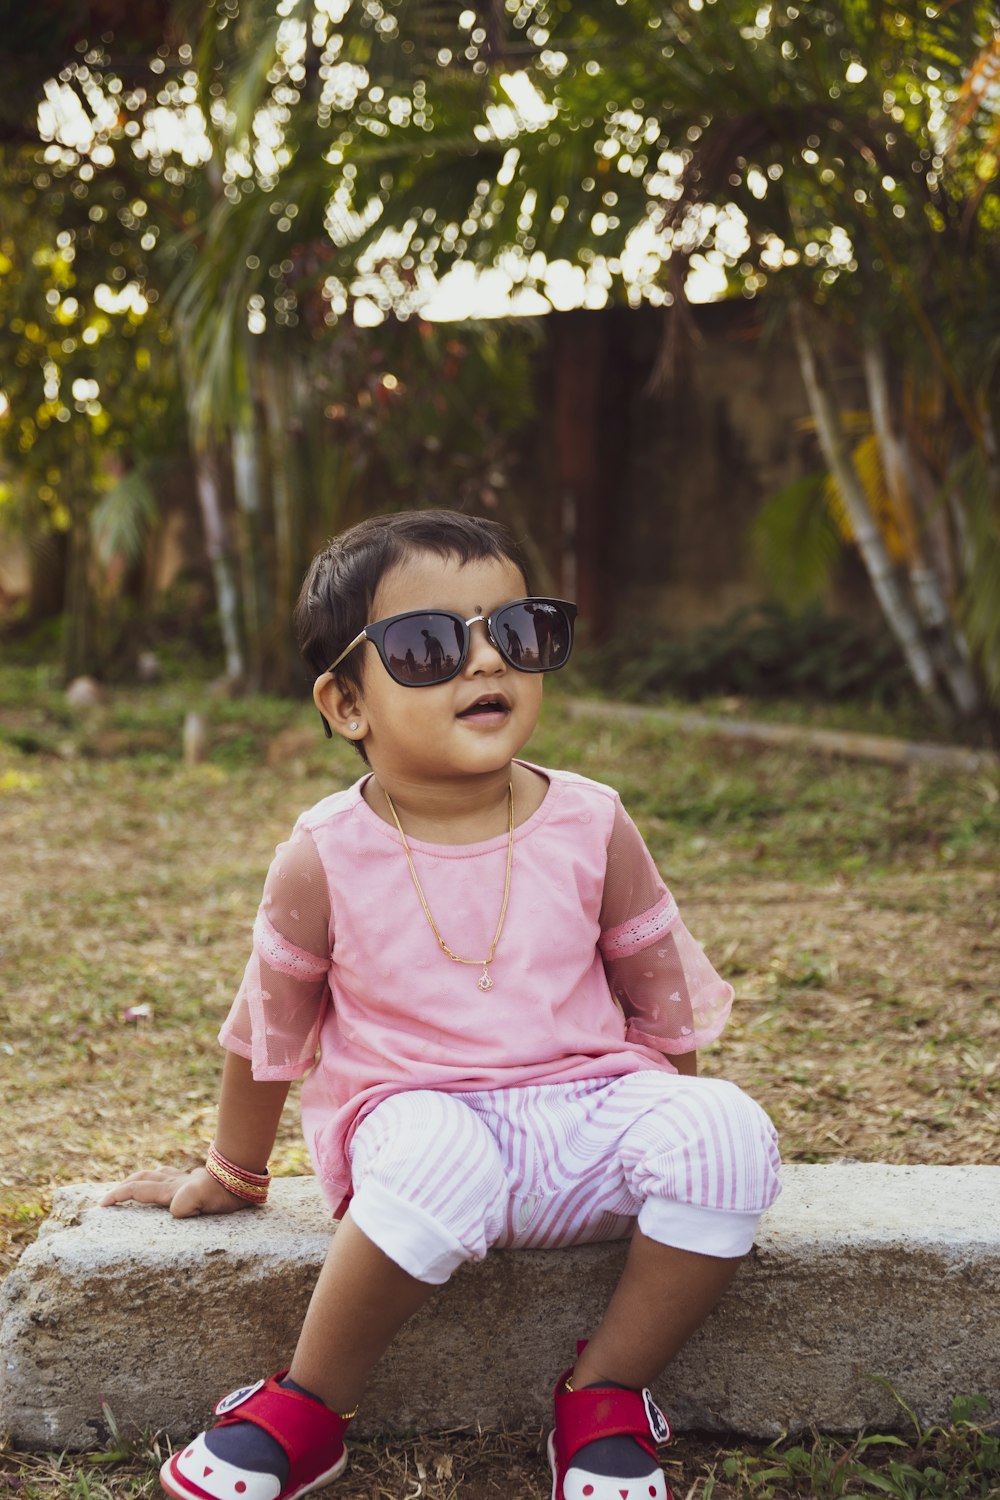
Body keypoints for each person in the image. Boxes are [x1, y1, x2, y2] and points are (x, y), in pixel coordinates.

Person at [103, 510, 781, 1500]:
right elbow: (270, 1031)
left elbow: (657, 995)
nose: (483, 665)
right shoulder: (326, 854)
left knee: (729, 1131)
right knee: (439, 1156)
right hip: (420, 1129)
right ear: (345, 703)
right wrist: (234, 1172)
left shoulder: (590, 820)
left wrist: (671, 1143)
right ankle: (310, 1405)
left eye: (517, 632)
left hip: (586, 1115)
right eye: (425, 646)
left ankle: (603, 1397)